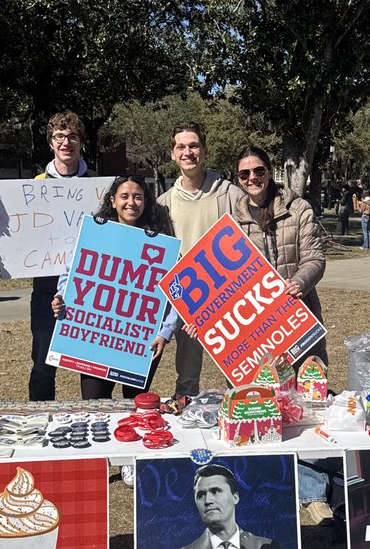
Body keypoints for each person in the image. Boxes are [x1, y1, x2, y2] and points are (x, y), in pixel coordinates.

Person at [51, 175, 179, 399]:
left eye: (138, 197)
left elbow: (176, 293)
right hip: (95, 340)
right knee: (94, 405)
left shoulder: (160, 244)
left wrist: (165, 333)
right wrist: (61, 298)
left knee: (135, 406)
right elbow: (70, 276)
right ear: (112, 201)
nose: (131, 202)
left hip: (141, 342)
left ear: (145, 202)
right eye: (125, 196)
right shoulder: (94, 236)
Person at [157, 123, 236, 399]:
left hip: (229, 296)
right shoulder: (163, 204)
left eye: (194, 146)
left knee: (237, 370)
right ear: (172, 154)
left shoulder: (229, 193)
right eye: (181, 147)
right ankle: (187, 419)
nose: (188, 152)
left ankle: (244, 416)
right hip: (188, 299)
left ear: (204, 150)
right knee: (187, 375)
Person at [231, 145, 327, 364]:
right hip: (256, 325)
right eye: (244, 174)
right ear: (238, 178)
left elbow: (315, 259)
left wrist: (299, 282)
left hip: (298, 313)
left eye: (259, 171)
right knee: (264, 391)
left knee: (307, 386)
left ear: (270, 171)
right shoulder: (233, 222)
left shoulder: (299, 209)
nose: (252, 178)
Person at [29, 111, 95, 400]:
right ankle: (38, 421)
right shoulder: (34, 184)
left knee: (92, 365)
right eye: (59, 136)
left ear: (81, 143)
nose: (65, 142)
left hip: (90, 286)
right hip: (45, 286)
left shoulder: (98, 183)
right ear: (51, 143)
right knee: (43, 365)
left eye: (72, 137)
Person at [166, 463, 270, 549]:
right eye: (201, 494)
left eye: (215, 491)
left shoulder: (266, 548)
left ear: (235, 497)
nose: (207, 501)